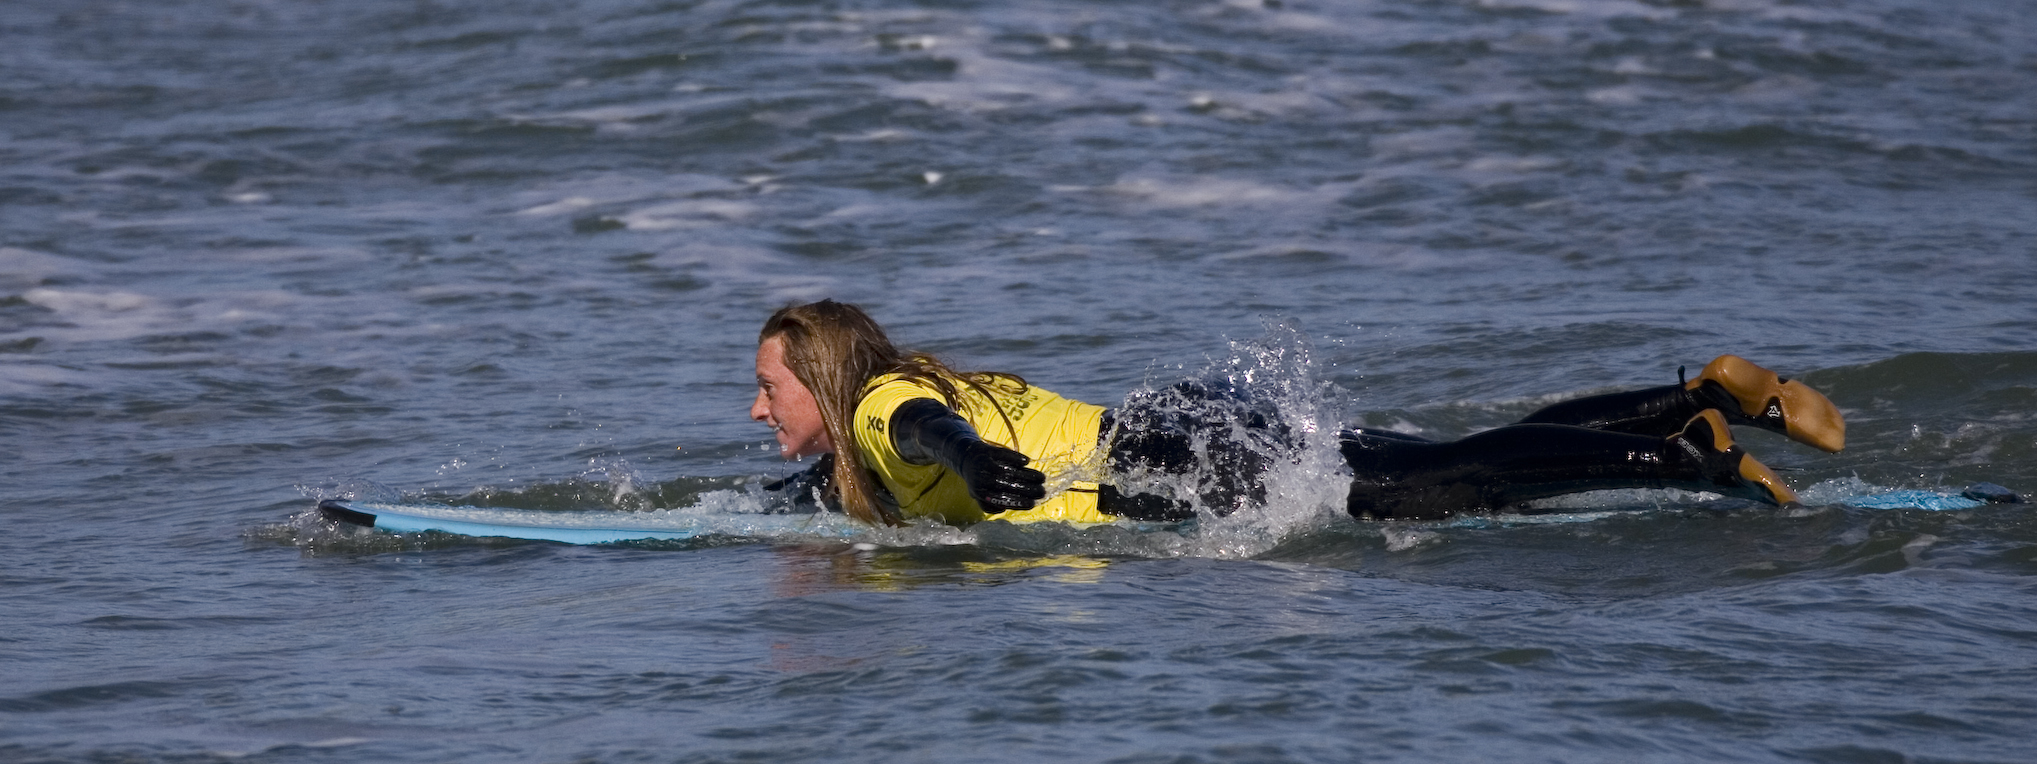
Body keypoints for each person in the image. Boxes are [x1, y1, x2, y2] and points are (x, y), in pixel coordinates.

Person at [750, 300, 1844, 525]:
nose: (758, 405)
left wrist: (975, 460)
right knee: (1447, 457)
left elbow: (921, 433)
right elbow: (864, 468)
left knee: (1435, 490)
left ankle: (1689, 463)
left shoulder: (887, 408)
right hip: (1179, 423)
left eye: (772, 387)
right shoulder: (870, 433)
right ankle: (1700, 396)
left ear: (831, 384)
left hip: (1169, 461)